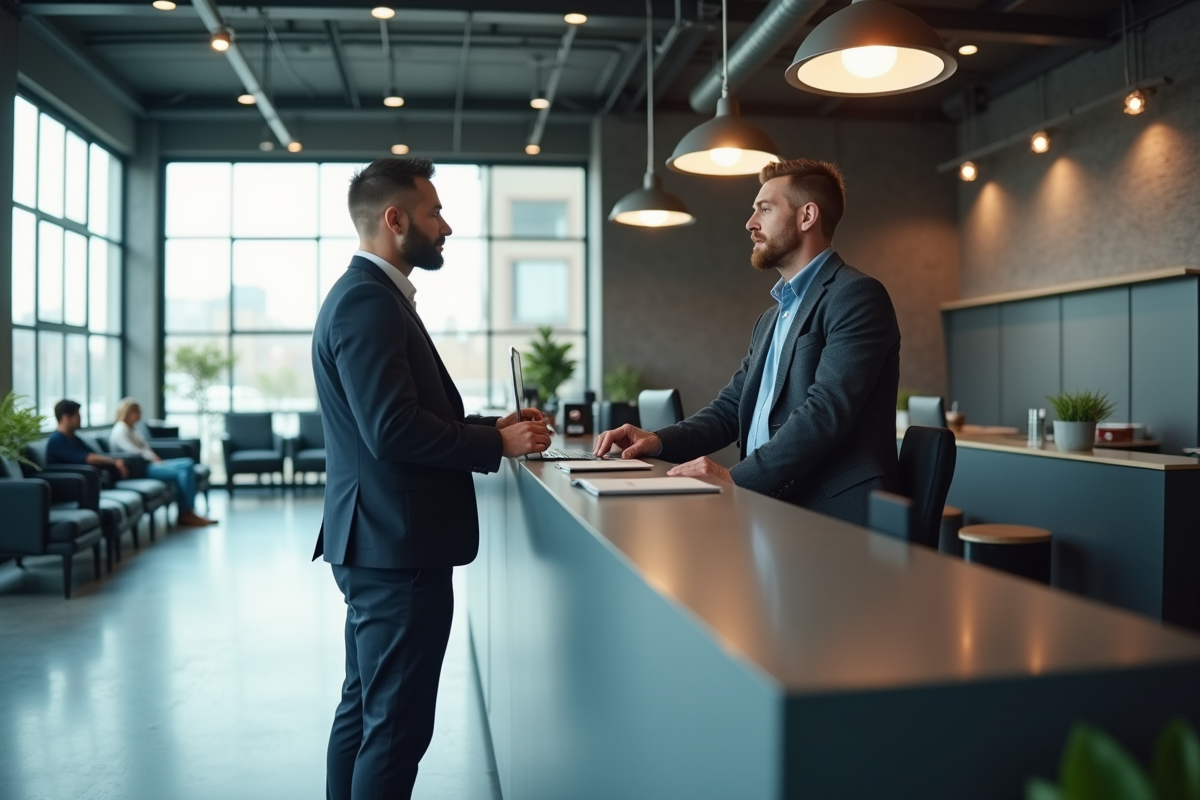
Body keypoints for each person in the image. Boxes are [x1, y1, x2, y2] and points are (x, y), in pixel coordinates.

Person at [312, 157, 552, 800]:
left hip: (379, 540)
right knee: (394, 728)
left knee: (364, 712)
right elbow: (390, 431)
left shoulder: (370, 296)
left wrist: (489, 425)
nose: (446, 226)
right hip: (398, 546)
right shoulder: (368, 301)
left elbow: (405, 413)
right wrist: (493, 443)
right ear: (395, 220)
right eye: (434, 212)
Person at [593, 158, 901, 527]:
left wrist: (735, 478)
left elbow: (825, 413)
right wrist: (656, 442)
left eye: (764, 209)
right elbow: (731, 408)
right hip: (771, 504)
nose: (750, 223)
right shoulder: (771, 319)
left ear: (807, 217)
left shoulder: (856, 295)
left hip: (831, 514)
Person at [109, 397, 215, 527]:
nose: (140, 415)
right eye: (138, 412)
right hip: (140, 469)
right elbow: (133, 452)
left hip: (149, 463)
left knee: (188, 463)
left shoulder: (133, 429)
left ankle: (188, 511)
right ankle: (186, 512)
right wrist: (153, 458)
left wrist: (154, 457)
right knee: (184, 470)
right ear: (129, 413)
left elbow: (145, 448)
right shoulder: (121, 430)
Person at [47, 399, 131, 480]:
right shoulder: (57, 440)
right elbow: (86, 458)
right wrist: (114, 461)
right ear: (66, 418)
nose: (80, 418)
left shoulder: (73, 438)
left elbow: (90, 453)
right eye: (78, 415)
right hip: (70, 484)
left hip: (87, 481)